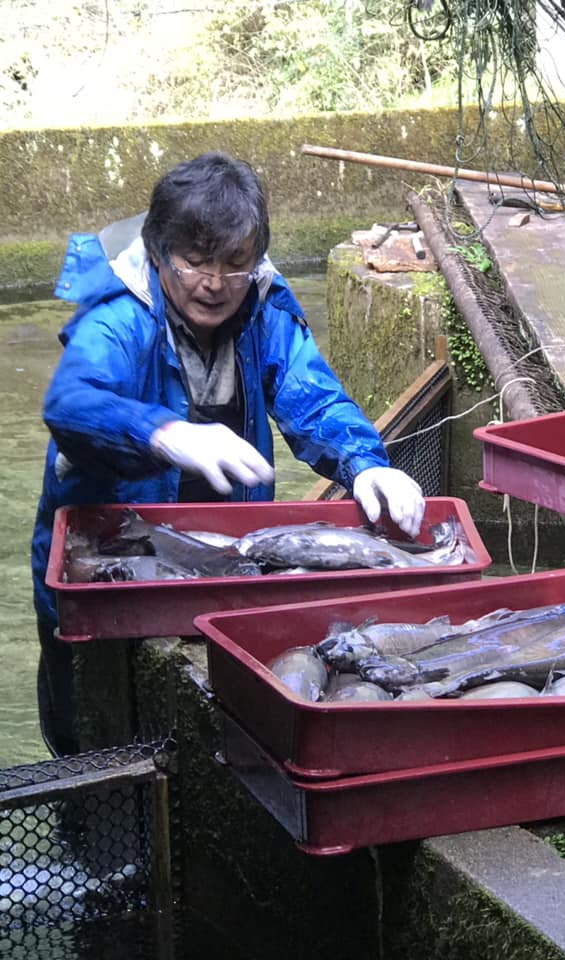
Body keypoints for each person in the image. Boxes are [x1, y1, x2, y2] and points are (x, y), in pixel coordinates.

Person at [31, 151, 425, 757]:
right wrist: (161, 432)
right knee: (92, 744)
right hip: (104, 569)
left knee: (208, 740)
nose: (214, 284)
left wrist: (366, 462)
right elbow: (70, 402)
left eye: (235, 264)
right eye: (196, 262)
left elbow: (310, 394)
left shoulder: (261, 304)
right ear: (159, 251)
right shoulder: (118, 315)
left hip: (221, 563)